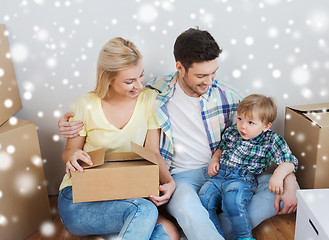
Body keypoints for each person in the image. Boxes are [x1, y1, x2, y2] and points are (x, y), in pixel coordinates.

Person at [59, 28, 299, 240]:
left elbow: (263, 133)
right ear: (180, 67)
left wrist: (290, 178)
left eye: (213, 73)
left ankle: (199, 231)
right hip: (181, 177)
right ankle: (200, 227)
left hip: (224, 172)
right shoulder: (156, 93)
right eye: (201, 76)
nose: (209, 81)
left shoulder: (226, 97)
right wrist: (67, 126)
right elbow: (92, 121)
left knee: (271, 190)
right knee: (181, 208)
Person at [57, 37, 179, 240]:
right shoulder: (86, 104)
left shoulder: (148, 100)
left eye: (141, 76)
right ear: (108, 79)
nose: (139, 85)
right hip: (79, 198)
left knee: (169, 234)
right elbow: (68, 153)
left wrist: (170, 182)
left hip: (125, 195)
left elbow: (153, 153)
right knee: (145, 211)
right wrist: (72, 156)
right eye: (130, 81)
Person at [199, 94, 298, 240]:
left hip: (241, 178)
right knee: (203, 199)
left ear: (266, 126)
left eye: (250, 122)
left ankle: (244, 236)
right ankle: (215, 236)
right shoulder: (232, 132)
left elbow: (289, 161)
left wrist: (278, 176)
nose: (243, 126)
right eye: (240, 119)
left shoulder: (270, 140)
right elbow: (221, 148)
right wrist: (215, 159)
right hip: (218, 176)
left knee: (232, 201)